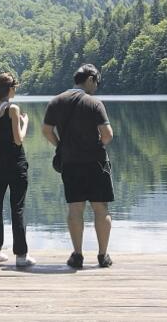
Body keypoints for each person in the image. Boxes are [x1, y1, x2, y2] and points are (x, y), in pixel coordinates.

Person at [42, 64, 115, 269]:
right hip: (97, 163)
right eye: (96, 83)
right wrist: (96, 145)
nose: (96, 87)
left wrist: (60, 145)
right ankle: (103, 256)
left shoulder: (56, 101)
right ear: (90, 79)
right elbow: (108, 135)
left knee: (75, 209)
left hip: (70, 163)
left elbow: (46, 130)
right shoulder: (94, 103)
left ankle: (78, 255)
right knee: (101, 209)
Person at [0, 72, 35, 267]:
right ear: (10, 89)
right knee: (18, 207)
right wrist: (25, 124)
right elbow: (18, 139)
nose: (15, 91)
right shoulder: (13, 109)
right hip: (15, 163)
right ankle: (21, 256)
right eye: (15, 88)